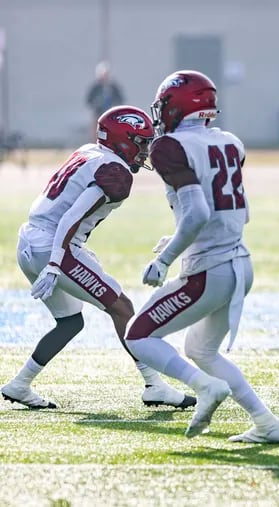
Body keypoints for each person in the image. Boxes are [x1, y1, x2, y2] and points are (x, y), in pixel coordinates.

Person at [124, 70, 279, 442]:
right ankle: (267, 424)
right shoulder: (231, 142)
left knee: (138, 336)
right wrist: (181, 236)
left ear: (176, 107)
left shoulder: (169, 147)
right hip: (240, 263)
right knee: (201, 348)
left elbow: (198, 212)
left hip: (209, 270)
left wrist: (165, 258)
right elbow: (226, 209)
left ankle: (205, 387)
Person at [2, 106, 195, 410]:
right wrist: (55, 262)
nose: (145, 151)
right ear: (123, 140)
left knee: (70, 322)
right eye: (141, 142)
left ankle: (20, 384)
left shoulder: (91, 152)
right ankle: (154, 385)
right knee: (122, 308)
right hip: (54, 245)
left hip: (29, 238)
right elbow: (70, 218)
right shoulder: (115, 173)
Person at [86, 62, 125, 126]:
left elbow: (120, 99)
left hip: (112, 116)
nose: (105, 76)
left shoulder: (114, 87)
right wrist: (97, 103)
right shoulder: (95, 88)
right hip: (99, 114)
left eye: (106, 74)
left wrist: (115, 106)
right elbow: (89, 101)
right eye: (103, 75)